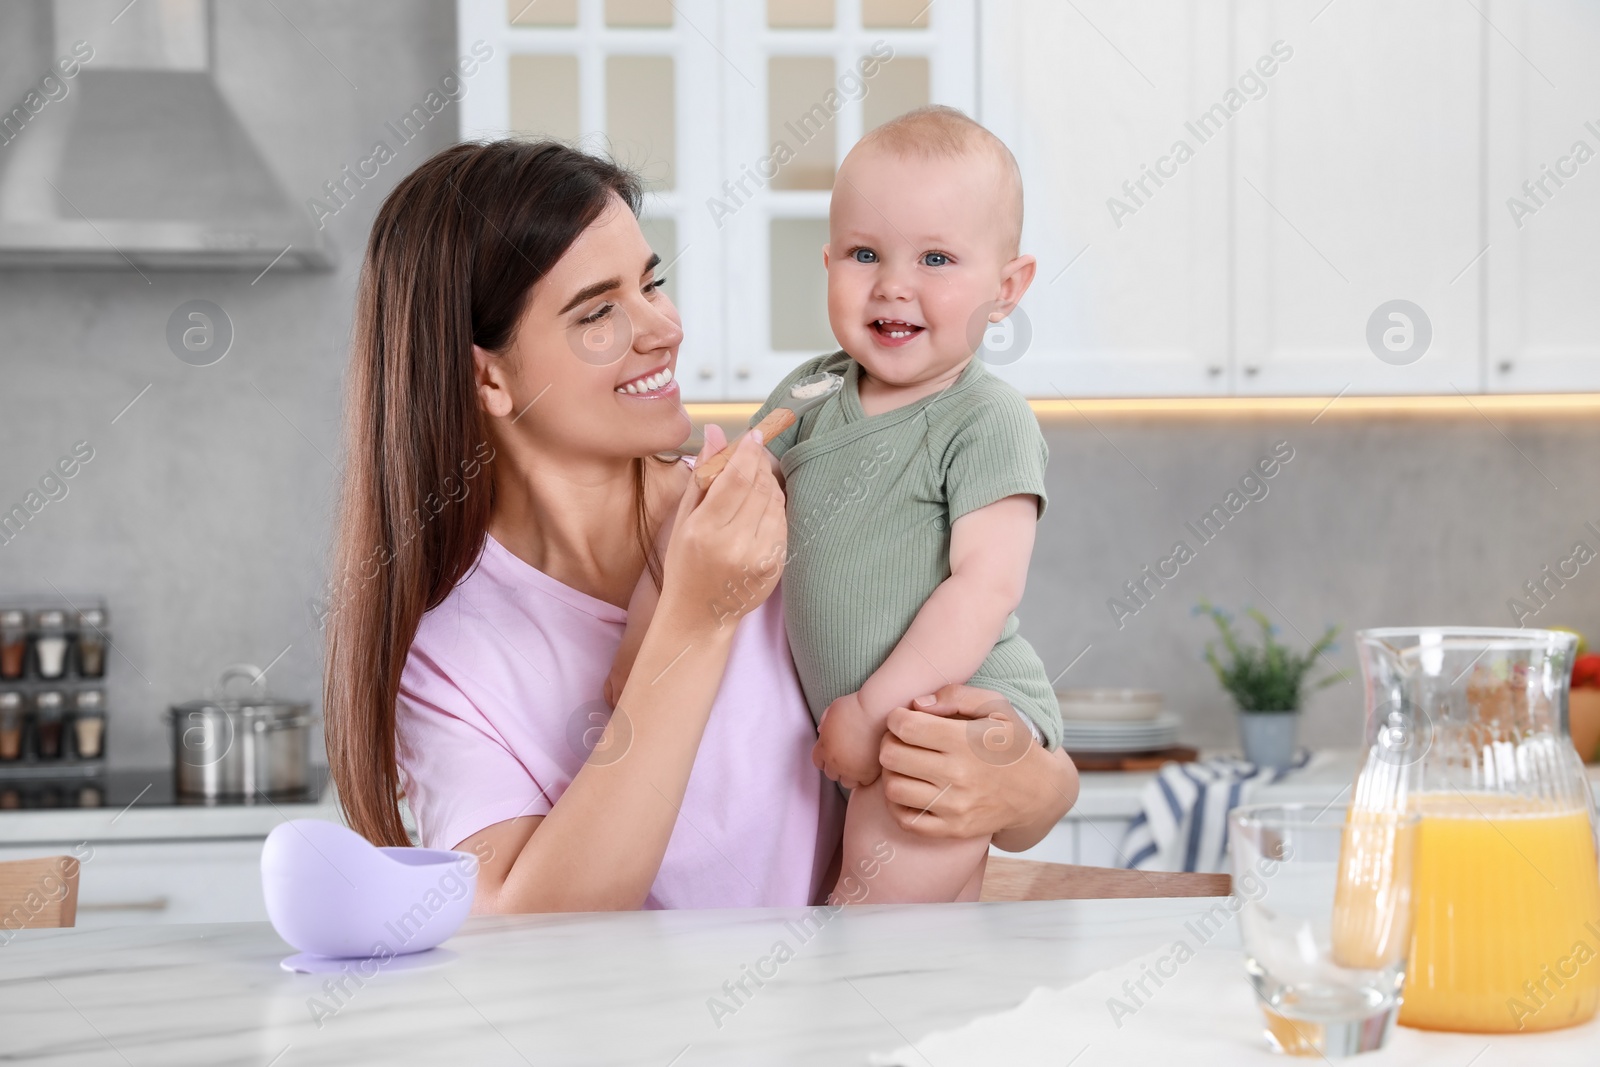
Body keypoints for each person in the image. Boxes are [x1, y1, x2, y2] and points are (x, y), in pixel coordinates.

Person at [323, 139, 1080, 912]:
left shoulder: (777, 506)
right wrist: (695, 616)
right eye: (599, 312)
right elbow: (526, 923)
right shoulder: (448, 657)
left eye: (651, 284)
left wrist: (1033, 784)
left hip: (853, 1021)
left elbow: (1001, 723)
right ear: (488, 375)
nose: (663, 327)